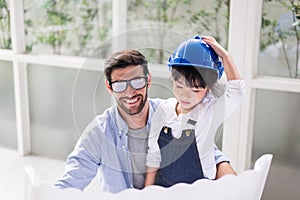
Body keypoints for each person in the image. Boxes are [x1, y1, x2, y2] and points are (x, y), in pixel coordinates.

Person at [54, 48, 237, 193]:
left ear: (148, 80)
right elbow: (69, 182)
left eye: (137, 82)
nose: (130, 92)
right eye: (119, 85)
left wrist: (232, 182)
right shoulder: (98, 133)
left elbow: (207, 151)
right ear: (109, 87)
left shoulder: (169, 113)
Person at [144, 36, 245, 187]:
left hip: (200, 189)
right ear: (172, 79)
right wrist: (147, 192)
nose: (186, 95)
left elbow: (236, 93)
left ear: (208, 88)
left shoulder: (209, 111)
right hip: (166, 189)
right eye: (179, 86)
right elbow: (154, 155)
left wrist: (225, 56)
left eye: (196, 89)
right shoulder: (163, 110)